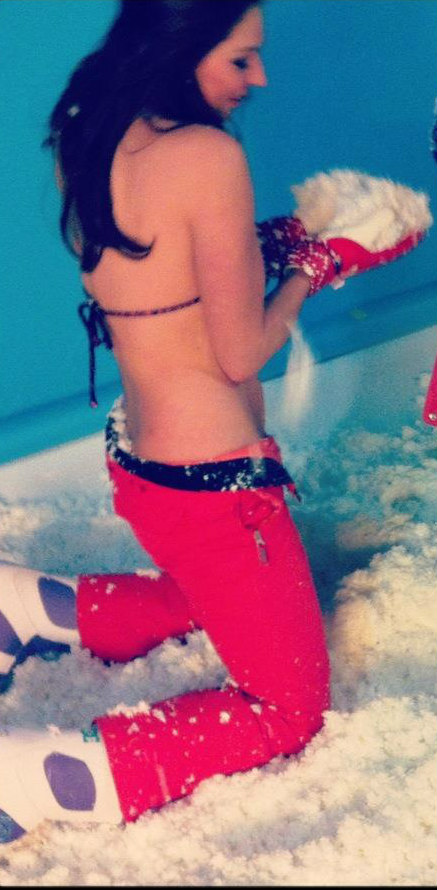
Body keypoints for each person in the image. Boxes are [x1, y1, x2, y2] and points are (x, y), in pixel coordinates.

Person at [0, 0, 424, 843]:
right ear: (180, 45)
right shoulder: (208, 155)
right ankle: (42, 778)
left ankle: (30, 607)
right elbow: (238, 354)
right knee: (287, 705)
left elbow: (160, 268)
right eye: (239, 58)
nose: (258, 77)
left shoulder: (87, 127)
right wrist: (318, 265)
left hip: (144, 465)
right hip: (215, 487)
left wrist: (277, 242)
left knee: (216, 601)